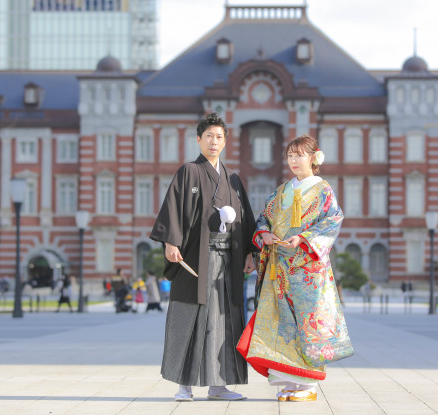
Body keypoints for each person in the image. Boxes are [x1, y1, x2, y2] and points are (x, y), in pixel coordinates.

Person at [149, 112, 257, 402]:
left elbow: (245, 217)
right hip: (195, 259)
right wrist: (171, 241)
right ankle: (183, 385)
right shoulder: (188, 172)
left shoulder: (233, 178)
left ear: (225, 141)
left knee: (224, 320)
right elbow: (173, 207)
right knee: (189, 317)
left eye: (219, 136)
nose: (214, 141)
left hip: (228, 262)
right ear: (198, 139)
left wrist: (250, 251)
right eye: (208, 136)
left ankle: (219, 385)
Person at [237, 134, 353, 403]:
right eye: (290, 155)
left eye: (299, 155)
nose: (294, 160)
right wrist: (264, 233)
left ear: (314, 158)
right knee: (280, 322)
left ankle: (309, 384)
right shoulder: (281, 191)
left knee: (307, 323)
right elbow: (263, 216)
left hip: (306, 268)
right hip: (279, 266)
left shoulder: (323, 190)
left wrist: (302, 238)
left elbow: (333, 219)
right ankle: (288, 381)